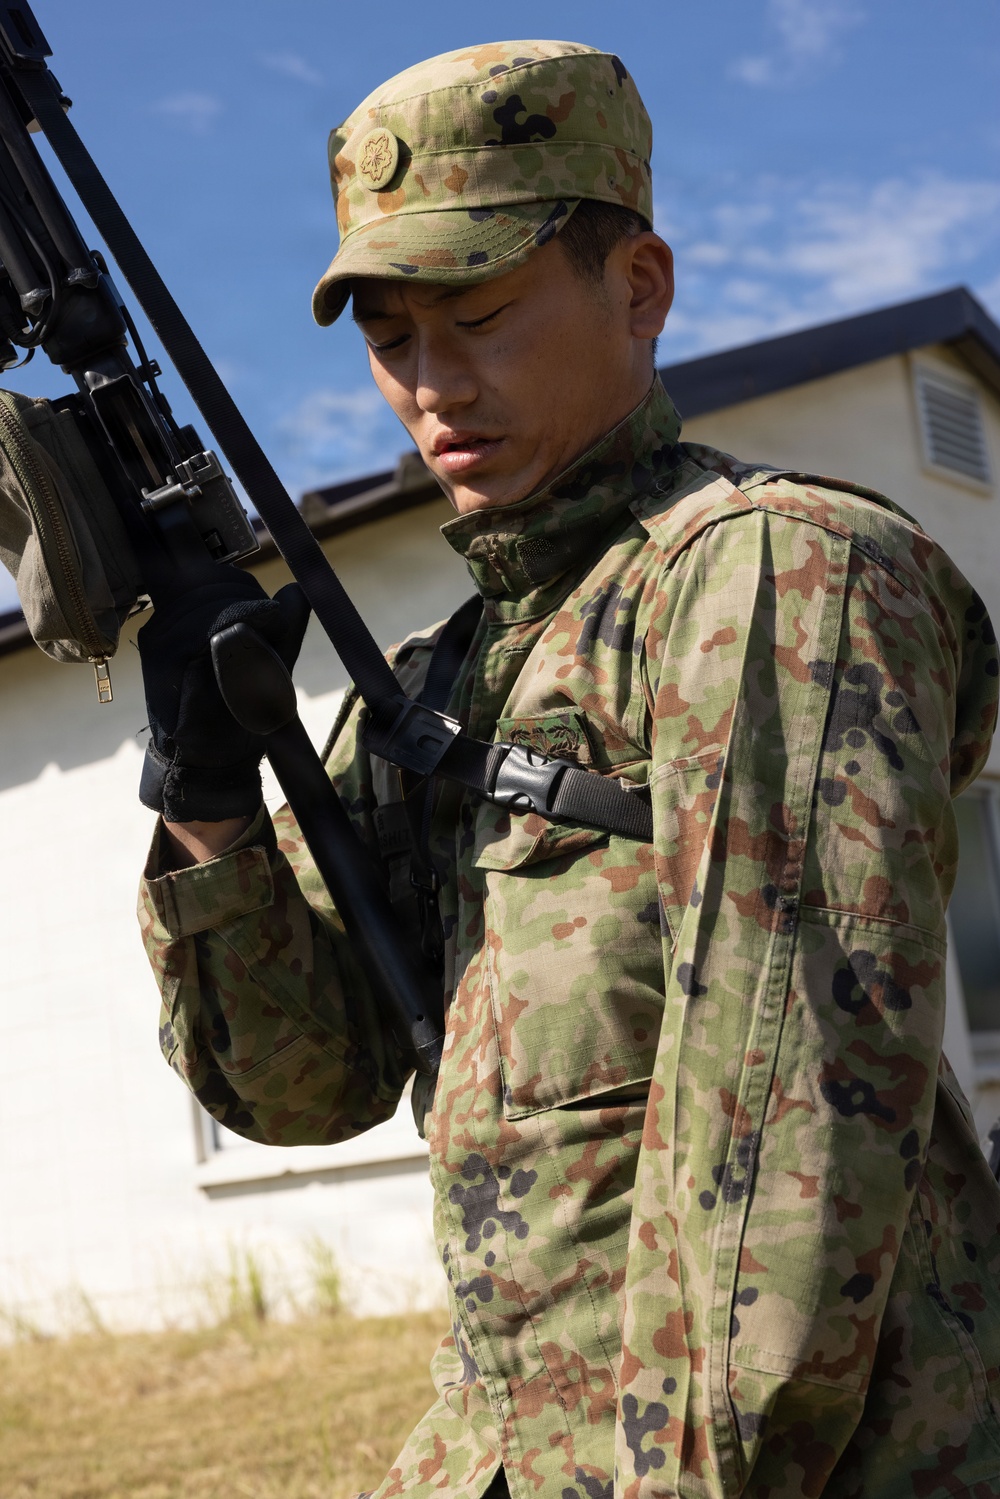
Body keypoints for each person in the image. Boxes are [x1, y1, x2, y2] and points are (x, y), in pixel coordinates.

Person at [136, 40, 1000, 1499]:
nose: (431, 384)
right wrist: (211, 799)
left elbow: (789, 1141)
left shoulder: (773, 574)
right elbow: (304, 1088)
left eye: (479, 315)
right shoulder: (448, 673)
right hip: (517, 1457)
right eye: (394, 338)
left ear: (640, 287)